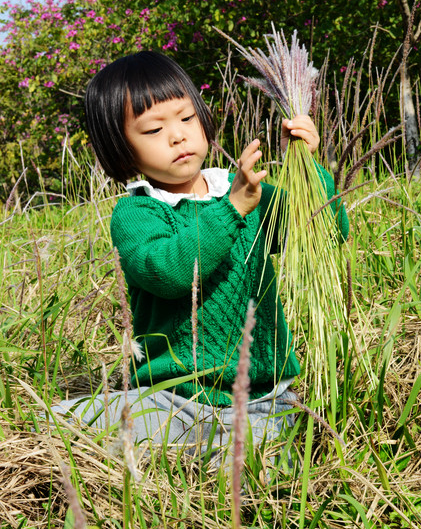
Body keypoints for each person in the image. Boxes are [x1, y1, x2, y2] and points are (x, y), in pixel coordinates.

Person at [52, 50, 348, 460]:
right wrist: (231, 209)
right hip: (171, 397)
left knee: (251, 469)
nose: (177, 136)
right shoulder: (138, 213)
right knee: (62, 422)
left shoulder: (243, 189)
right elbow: (171, 273)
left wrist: (308, 166)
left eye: (186, 119)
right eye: (153, 130)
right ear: (123, 149)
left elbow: (325, 230)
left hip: (261, 399)